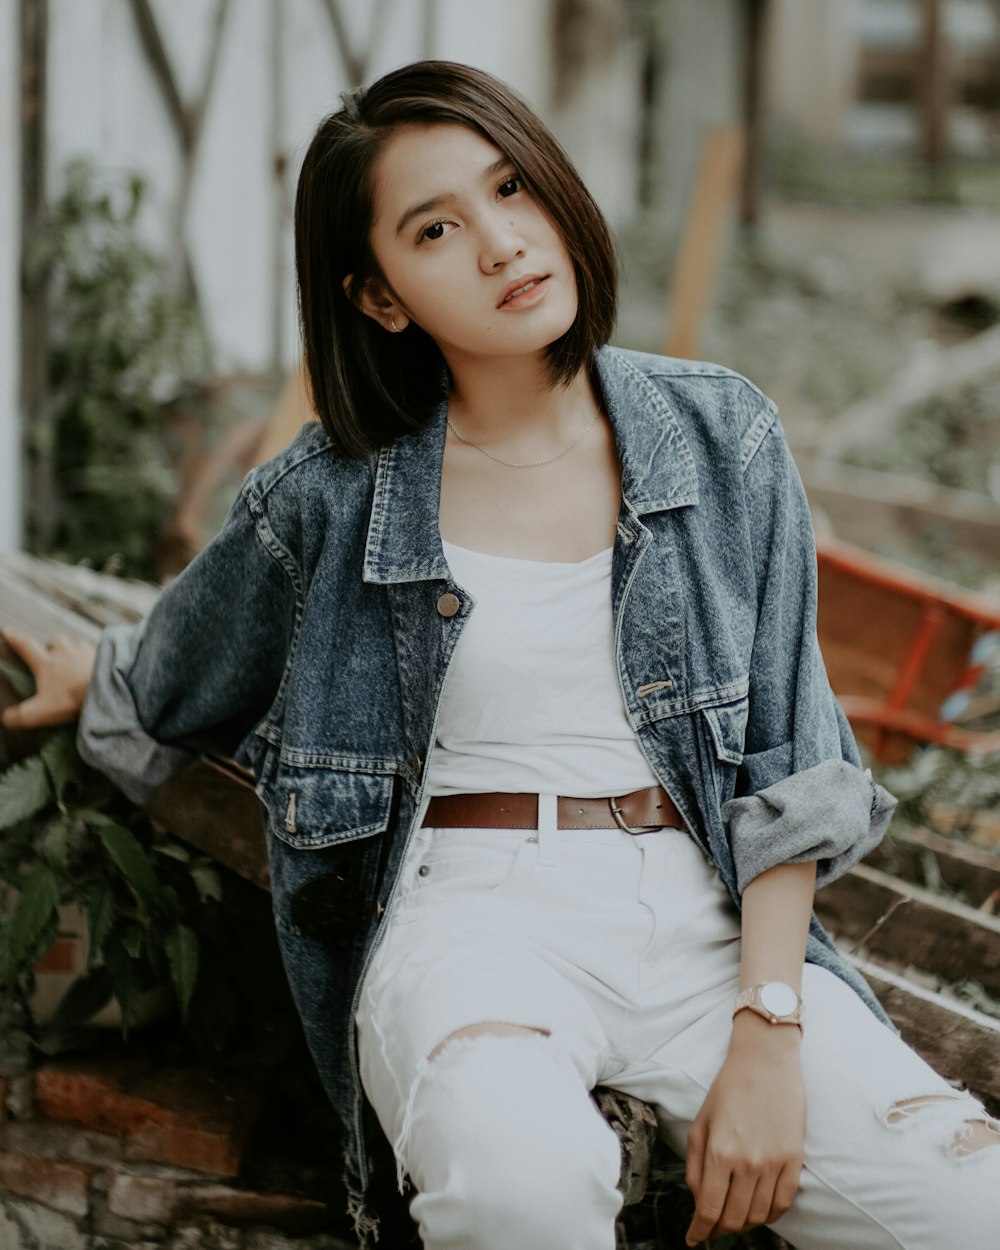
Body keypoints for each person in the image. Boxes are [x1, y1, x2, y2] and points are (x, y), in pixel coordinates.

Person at [3, 60, 998, 1250]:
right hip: (468, 928)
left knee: (964, 1204)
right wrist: (91, 677)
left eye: (512, 187)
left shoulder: (722, 434)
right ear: (379, 297)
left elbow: (793, 762)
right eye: (438, 227)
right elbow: (172, 666)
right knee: (517, 1188)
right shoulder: (325, 499)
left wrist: (770, 1024)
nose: (502, 244)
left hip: (702, 926)